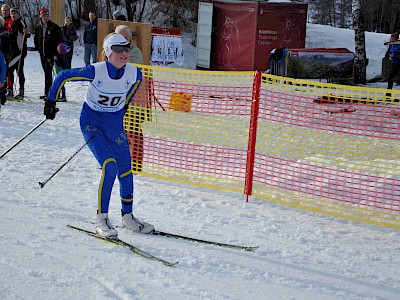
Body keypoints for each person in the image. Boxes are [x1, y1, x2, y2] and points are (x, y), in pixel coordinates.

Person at [43, 33, 154, 238]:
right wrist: (51, 101)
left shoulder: (134, 73)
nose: (124, 53)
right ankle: (101, 219)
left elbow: (135, 86)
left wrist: (125, 104)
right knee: (110, 166)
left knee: (126, 169)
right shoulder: (96, 70)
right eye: (119, 50)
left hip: (114, 125)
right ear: (108, 52)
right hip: (92, 124)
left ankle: (127, 216)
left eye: (127, 49)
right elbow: (63, 75)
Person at [114, 25, 146, 172]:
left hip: (135, 101)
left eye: (122, 37)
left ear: (128, 39)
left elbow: (125, 70)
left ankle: (137, 163)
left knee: (135, 132)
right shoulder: (117, 51)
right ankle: (122, 160)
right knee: (121, 131)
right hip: (121, 100)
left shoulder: (135, 53)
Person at [34, 7, 62, 99]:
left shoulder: (54, 27)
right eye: (44, 15)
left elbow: (59, 41)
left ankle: (50, 93)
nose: (46, 17)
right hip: (42, 54)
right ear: (41, 17)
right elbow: (36, 39)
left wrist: (55, 54)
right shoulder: (39, 27)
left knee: (49, 73)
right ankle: (47, 92)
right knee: (46, 73)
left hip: (51, 54)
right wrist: (38, 49)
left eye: (47, 15)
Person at [8, 7, 31, 100]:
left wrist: (26, 32)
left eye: (15, 13)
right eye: (12, 14)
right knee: (18, 71)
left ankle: (14, 91)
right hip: (13, 52)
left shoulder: (20, 23)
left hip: (19, 51)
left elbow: (26, 32)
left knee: (11, 69)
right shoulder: (13, 24)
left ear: (19, 14)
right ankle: (16, 91)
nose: (13, 15)